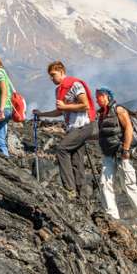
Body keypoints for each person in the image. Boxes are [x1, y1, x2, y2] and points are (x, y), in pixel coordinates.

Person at [33, 61, 97, 198]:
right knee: (76, 159)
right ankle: (81, 194)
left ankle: (69, 189)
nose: (51, 78)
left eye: (53, 75)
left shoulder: (75, 85)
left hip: (83, 125)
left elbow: (85, 105)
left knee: (61, 149)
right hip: (73, 128)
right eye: (50, 76)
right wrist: (41, 114)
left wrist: (65, 107)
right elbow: (59, 111)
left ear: (62, 72)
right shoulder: (59, 90)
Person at [95, 87, 137, 229]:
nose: (98, 99)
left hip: (121, 152)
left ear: (107, 96)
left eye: (100, 96)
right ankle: (112, 216)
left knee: (128, 184)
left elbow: (128, 128)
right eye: (97, 96)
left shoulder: (119, 110)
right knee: (105, 182)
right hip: (108, 153)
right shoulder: (101, 114)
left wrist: (126, 149)